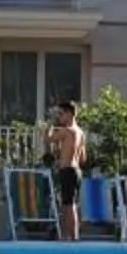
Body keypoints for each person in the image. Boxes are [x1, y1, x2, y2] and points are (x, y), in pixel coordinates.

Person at [44, 98, 86, 241]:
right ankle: (70, 236)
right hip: (77, 171)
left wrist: (49, 124)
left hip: (67, 170)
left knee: (69, 205)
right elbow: (83, 158)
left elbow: (47, 139)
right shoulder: (80, 133)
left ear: (70, 114)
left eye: (61, 114)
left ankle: (73, 238)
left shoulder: (67, 131)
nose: (60, 117)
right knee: (71, 203)